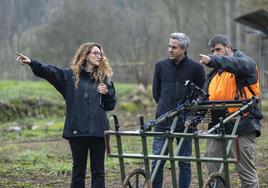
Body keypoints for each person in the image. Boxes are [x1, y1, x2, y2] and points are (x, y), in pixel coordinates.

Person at [16, 42, 116, 188]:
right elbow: (50, 71)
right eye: (95, 53)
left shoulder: (104, 79)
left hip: (99, 131)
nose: (99, 56)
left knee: (99, 172)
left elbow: (110, 105)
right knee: (78, 172)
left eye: (101, 54)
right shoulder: (70, 77)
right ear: (86, 55)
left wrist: (107, 93)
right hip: (77, 130)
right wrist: (32, 63)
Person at [199, 34, 262, 187]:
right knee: (213, 164)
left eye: (218, 49)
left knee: (245, 172)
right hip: (217, 126)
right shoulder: (214, 73)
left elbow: (236, 64)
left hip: (241, 125)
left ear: (228, 48)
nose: (215, 53)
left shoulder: (245, 64)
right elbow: (206, 97)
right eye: (212, 51)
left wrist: (214, 61)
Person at [151, 32, 205, 188]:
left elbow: (203, 96)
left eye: (174, 47)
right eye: (169, 46)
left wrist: (194, 119)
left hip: (185, 124)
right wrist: (165, 108)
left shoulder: (196, 68)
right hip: (162, 121)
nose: (170, 50)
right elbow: (156, 93)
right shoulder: (160, 66)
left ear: (184, 49)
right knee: (157, 161)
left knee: (184, 162)